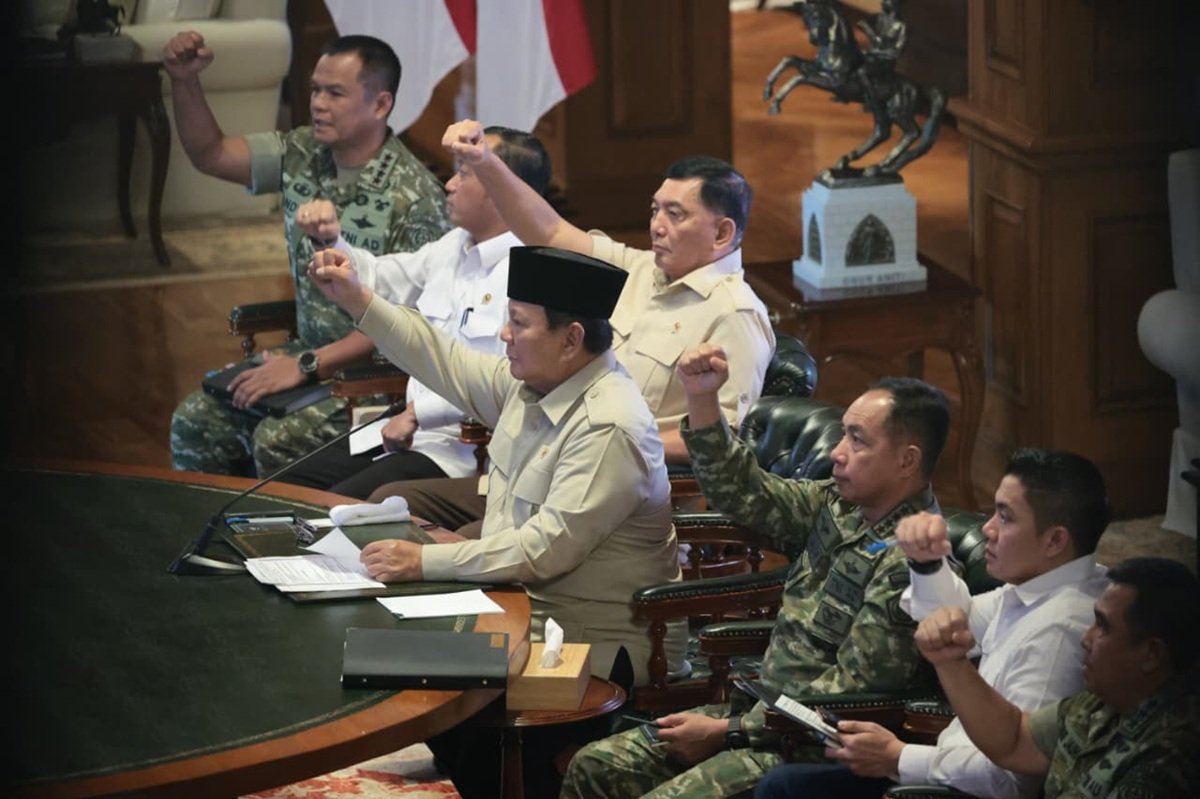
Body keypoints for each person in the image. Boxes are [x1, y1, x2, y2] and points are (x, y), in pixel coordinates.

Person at [560, 343, 951, 798]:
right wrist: (703, 398)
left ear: (907, 460)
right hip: (756, 714)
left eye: (858, 441)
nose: (838, 452)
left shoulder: (910, 566)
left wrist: (728, 731)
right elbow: (744, 492)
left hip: (801, 749)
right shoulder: (839, 505)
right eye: (843, 436)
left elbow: (847, 699)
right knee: (594, 767)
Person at [363, 119, 776, 530]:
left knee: (462, 543)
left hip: (617, 495)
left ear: (722, 233)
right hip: (541, 469)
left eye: (675, 214)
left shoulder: (735, 313)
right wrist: (484, 161)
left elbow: (723, 443)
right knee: (390, 504)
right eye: (655, 210)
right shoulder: (638, 270)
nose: (657, 225)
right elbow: (550, 232)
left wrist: (600, 440)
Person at [308, 243, 687, 687]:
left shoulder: (609, 426)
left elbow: (544, 549)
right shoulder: (534, 384)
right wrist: (358, 298)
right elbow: (443, 359)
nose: (505, 334)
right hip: (514, 610)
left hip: (582, 645)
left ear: (571, 340)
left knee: (399, 672)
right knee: (366, 642)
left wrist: (423, 561)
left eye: (519, 323)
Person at [166, 32, 450, 477]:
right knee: (197, 421)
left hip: (377, 378)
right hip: (309, 356)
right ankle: (212, 523)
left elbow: (408, 323)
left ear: (380, 104)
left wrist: (305, 366)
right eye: (315, 90)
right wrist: (184, 81)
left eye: (335, 93)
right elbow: (211, 153)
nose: (318, 103)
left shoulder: (415, 199)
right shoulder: (300, 152)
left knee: (278, 439)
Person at [754, 448, 1112, 799]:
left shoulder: (1060, 631)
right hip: (942, 769)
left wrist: (898, 757)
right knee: (785, 783)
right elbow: (950, 621)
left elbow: (1010, 782)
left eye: (1005, 518)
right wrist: (926, 562)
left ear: (1054, 540)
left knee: (783, 787)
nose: (988, 528)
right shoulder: (1041, 587)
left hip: (955, 789)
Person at [274, 126, 550, 498]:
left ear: (503, 186)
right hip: (403, 433)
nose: (449, 185)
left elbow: (512, 385)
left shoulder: (530, 274)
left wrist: (421, 412)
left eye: (463, 174)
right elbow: (380, 279)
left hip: (463, 450)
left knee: (331, 508)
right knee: (285, 490)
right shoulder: (453, 245)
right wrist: (330, 242)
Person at [916, 557, 1200, 797]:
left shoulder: (1167, 760)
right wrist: (950, 661)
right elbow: (1013, 739)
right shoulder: (1100, 705)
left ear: (1151, 655)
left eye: (1103, 627)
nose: (1086, 639)